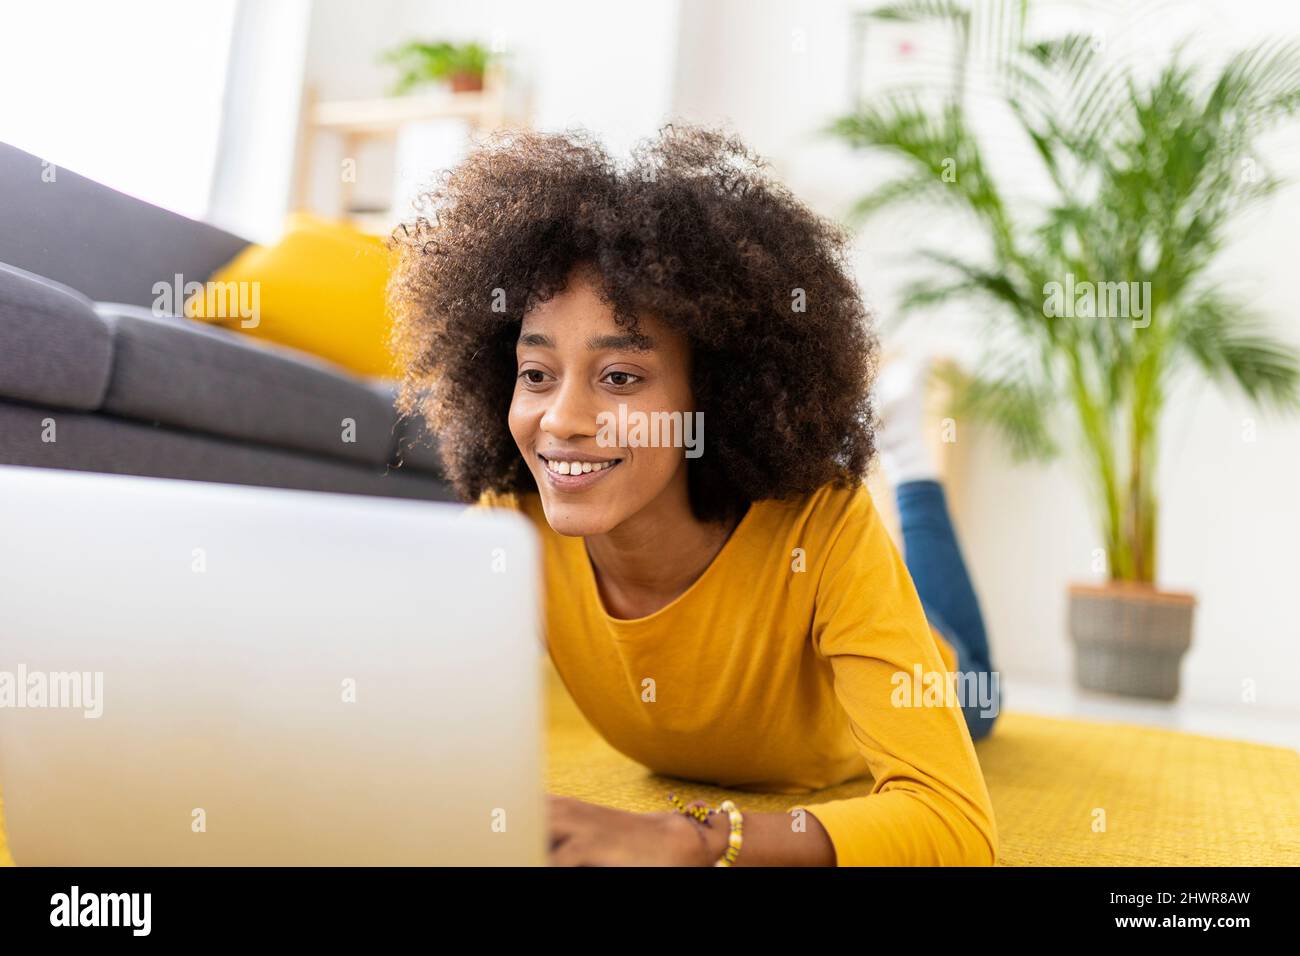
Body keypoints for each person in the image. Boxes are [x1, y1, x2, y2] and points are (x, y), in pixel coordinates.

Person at [389, 125, 1001, 867]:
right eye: (536, 374)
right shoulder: (508, 530)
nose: (562, 422)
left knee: (979, 685)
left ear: (711, 398)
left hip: (939, 672)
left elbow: (956, 828)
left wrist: (695, 838)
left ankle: (913, 465)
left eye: (620, 378)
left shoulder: (825, 524)